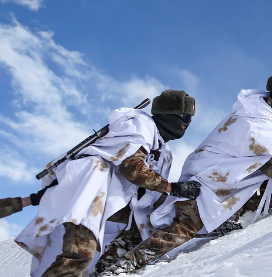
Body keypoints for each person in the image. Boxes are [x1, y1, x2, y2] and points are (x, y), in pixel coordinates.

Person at [99, 70, 272, 276]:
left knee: (167, 219)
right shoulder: (255, 122)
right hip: (207, 179)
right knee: (185, 225)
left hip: (224, 181)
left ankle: (224, 221)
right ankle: (124, 265)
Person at [13, 89, 200, 277]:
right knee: (78, 256)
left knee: (95, 264)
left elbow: (149, 192)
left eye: (190, 119)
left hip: (118, 216)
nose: (187, 123)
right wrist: (173, 188)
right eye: (184, 116)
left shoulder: (165, 152)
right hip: (90, 198)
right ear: (168, 114)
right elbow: (132, 167)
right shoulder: (140, 124)